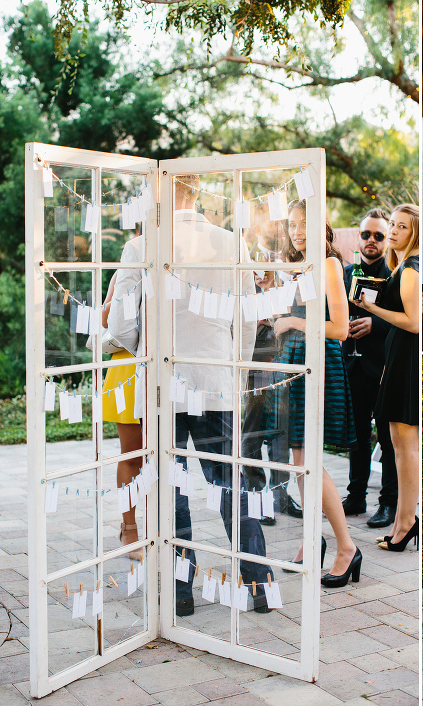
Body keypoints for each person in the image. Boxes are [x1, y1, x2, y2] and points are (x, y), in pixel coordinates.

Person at [170, 174, 269, 615]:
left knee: (171, 488)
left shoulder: (141, 245)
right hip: (216, 380)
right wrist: (238, 371)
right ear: (197, 190)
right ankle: (259, 586)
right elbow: (246, 318)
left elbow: (124, 326)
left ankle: (181, 590)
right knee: (231, 483)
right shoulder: (230, 243)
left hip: (164, 385)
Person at [266, 198, 362, 587]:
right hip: (293, 366)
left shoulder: (328, 264)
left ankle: (346, 547)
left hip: (318, 365)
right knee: (297, 458)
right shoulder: (296, 266)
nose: (298, 230)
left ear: (322, 223)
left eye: (305, 222)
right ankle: (312, 539)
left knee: (309, 457)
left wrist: (291, 319)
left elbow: (339, 328)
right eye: (292, 224)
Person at [354, 204, 420, 552]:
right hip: (397, 360)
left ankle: (407, 522)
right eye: (392, 225)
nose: (393, 232)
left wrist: (371, 308)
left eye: (401, 227)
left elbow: (413, 322)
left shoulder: (411, 268)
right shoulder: (404, 265)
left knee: (406, 448)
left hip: (408, 360)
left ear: (415, 232)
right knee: (397, 445)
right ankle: (401, 521)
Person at [241, 217, 302, 521]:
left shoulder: (294, 262)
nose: (278, 230)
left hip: (286, 347)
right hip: (257, 348)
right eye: (271, 224)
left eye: (283, 226)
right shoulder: (245, 258)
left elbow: (296, 307)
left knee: (281, 428)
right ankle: (255, 496)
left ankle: (280, 497)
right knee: (253, 427)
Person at [341, 208, 398, 529]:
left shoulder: (395, 277)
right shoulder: (345, 274)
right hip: (350, 367)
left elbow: (407, 324)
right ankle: (356, 496)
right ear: (359, 238)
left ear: (386, 239)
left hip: (384, 369)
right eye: (366, 234)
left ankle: (388, 503)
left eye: (378, 235)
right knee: (357, 438)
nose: (372, 240)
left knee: (387, 440)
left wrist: (374, 323)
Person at [101, 232, 146, 560]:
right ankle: (128, 527)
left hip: (164, 368)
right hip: (128, 368)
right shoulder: (125, 268)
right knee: (132, 455)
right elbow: (106, 319)